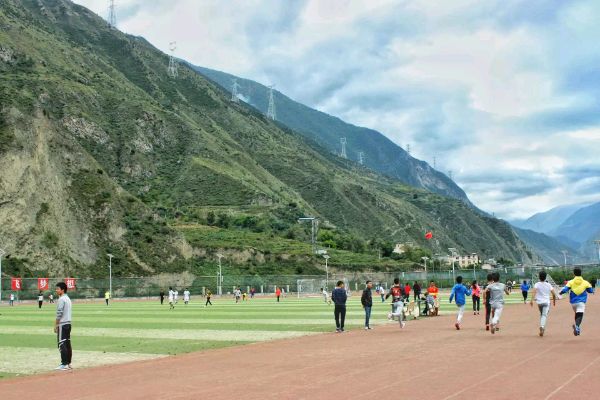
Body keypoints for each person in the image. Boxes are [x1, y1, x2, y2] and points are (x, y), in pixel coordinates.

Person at [559, 267, 594, 336]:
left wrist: (560, 293)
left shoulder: (570, 282)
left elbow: (565, 289)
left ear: (574, 273)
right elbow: (590, 291)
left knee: (577, 314)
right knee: (580, 315)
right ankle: (577, 326)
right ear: (581, 273)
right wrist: (591, 290)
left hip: (573, 303)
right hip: (581, 302)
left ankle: (577, 328)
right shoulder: (585, 282)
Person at [530, 270, 558, 337]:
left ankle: (542, 326)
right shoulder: (548, 285)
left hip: (539, 303)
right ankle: (542, 327)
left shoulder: (537, 284)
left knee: (542, 314)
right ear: (545, 277)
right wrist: (554, 301)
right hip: (546, 302)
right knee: (544, 315)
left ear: (539, 277)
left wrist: (531, 300)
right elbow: (554, 294)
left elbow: (534, 292)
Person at [54, 282, 72, 371]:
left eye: (58, 289)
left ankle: (64, 364)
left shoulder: (61, 299)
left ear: (62, 290)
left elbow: (59, 313)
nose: (56, 290)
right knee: (67, 343)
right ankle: (68, 363)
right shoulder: (68, 298)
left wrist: (56, 324)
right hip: (68, 323)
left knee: (62, 344)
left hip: (62, 324)